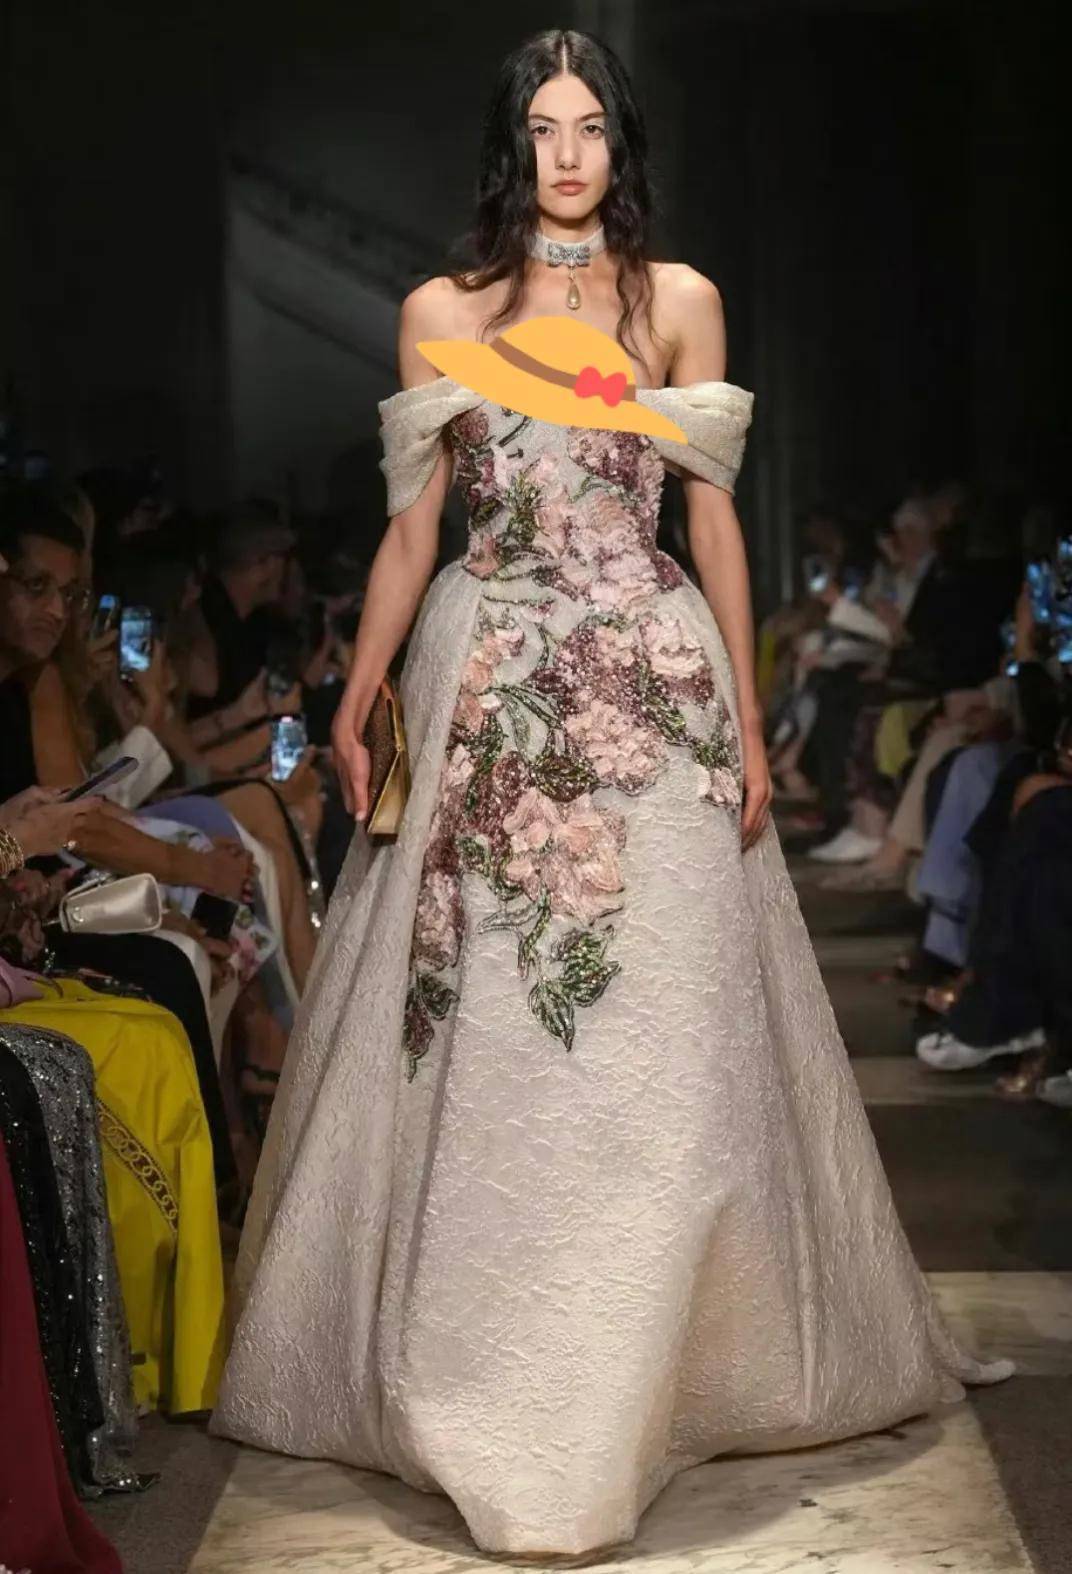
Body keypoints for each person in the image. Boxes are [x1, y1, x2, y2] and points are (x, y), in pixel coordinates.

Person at [210, 29, 1012, 1560]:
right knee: (482, 1025)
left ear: (620, 142)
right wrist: (359, 697)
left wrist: (752, 714)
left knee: (666, 1025)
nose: (568, 153)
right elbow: (412, 530)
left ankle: (661, 1365)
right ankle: (487, 1375)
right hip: (490, 670)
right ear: (510, 143)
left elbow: (710, 521)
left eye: (590, 126)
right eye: (542, 126)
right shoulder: (441, 313)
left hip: (649, 678)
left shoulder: (676, 301)